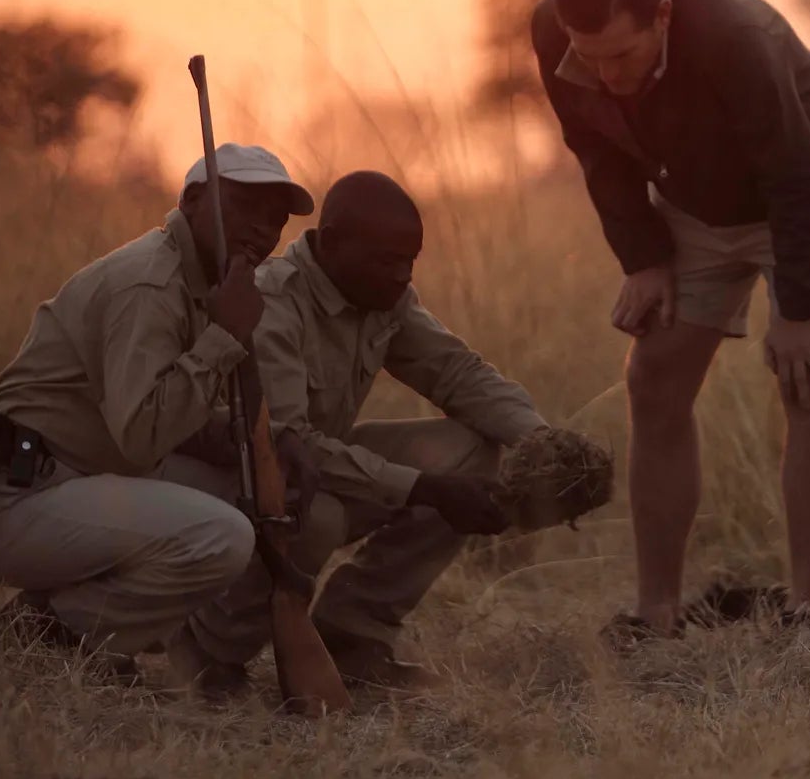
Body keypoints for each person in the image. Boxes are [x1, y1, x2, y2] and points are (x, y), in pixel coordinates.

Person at [532, 0, 810, 637]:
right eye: (589, 57)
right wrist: (644, 258)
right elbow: (596, 150)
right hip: (699, 200)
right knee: (654, 377)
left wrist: (799, 311)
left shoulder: (733, 34)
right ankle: (656, 612)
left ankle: (808, 608)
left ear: (662, 15)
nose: (606, 75)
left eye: (622, 54)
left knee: (807, 379)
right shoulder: (553, 31)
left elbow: (795, 170)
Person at [0, 145, 316, 679]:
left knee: (248, 488)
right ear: (192, 200)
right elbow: (141, 436)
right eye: (245, 206)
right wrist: (225, 336)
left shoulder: (202, 281)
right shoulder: (149, 284)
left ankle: (175, 644)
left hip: (67, 480)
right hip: (9, 500)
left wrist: (264, 440)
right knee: (222, 536)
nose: (262, 228)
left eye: (275, 219)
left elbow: (162, 417)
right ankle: (48, 636)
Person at [167, 170, 554, 693]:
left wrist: (543, 444)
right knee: (316, 516)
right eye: (388, 261)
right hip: (242, 480)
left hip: (315, 468)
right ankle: (211, 649)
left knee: (466, 454)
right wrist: (425, 489)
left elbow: (455, 372)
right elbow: (285, 448)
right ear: (331, 243)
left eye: (410, 260)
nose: (403, 276)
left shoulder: (382, 293)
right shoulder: (273, 304)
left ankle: (354, 636)